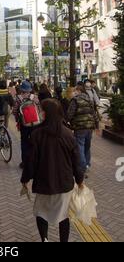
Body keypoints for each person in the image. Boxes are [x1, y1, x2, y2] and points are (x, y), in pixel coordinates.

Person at [21, 99, 84, 243]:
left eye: (42, 110)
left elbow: (31, 162)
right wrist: (79, 180)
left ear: (47, 113)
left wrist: (25, 179)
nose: (40, 113)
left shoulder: (37, 134)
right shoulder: (68, 134)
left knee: (41, 213)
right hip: (64, 183)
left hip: (43, 182)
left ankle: (45, 239)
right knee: (63, 215)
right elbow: (77, 162)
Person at [67, 84, 100, 176]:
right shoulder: (89, 99)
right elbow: (94, 113)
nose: (74, 92)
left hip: (80, 127)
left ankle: (82, 167)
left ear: (79, 91)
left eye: (75, 90)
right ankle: (87, 164)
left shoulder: (75, 100)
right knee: (87, 146)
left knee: (80, 146)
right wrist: (97, 126)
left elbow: (70, 114)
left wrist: (67, 122)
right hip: (90, 127)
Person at [13, 80, 40, 168]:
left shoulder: (18, 98)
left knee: (24, 143)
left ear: (22, 89)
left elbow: (15, 111)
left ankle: (24, 163)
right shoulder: (34, 97)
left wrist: (17, 120)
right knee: (34, 142)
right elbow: (39, 108)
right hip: (35, 124)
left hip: (24, 125)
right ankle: (34, 161)